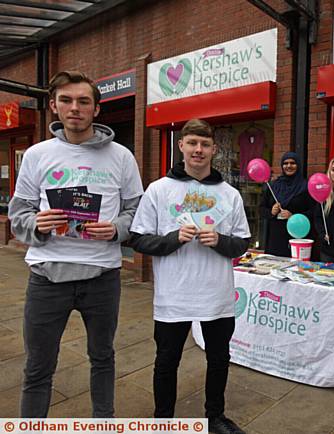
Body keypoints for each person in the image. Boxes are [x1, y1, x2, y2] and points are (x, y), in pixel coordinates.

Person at [8, 71, 144, 417]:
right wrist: (35, 224)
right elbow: (18, 212)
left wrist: (115, 229)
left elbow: (136, 210)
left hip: (102, 277)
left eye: (84, 101)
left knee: (103, 359)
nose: (75, 108)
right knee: (38, 367)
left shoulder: (122, 157)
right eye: (66, 100)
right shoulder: (37, 155)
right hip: (46, 278)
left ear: (96, 109)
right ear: (54, 106)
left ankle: (103, 423)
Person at [129, 119, 250, 434]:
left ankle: (215, 418)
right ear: (180, 146)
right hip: (174, 296)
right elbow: (139, 239)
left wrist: (220, 241)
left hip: (217, 295)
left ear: (214, 149)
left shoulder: (230, 194)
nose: (199, 150)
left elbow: (242, 242)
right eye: (193, 143)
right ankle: (163, 420)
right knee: (167, 361)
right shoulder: (159, 190)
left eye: (205, 144)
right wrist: (173, 239)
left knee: (219, 359)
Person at [260, 151, 314, 256]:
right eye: (285, 163)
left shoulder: (306, 187)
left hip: (296, 239)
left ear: (298, 165)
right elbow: (261, 209)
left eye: (293, 163)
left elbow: (313, 212)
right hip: (275, 239)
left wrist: (294, 217)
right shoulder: (273, 186)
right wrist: (271, 212)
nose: (289, 166)